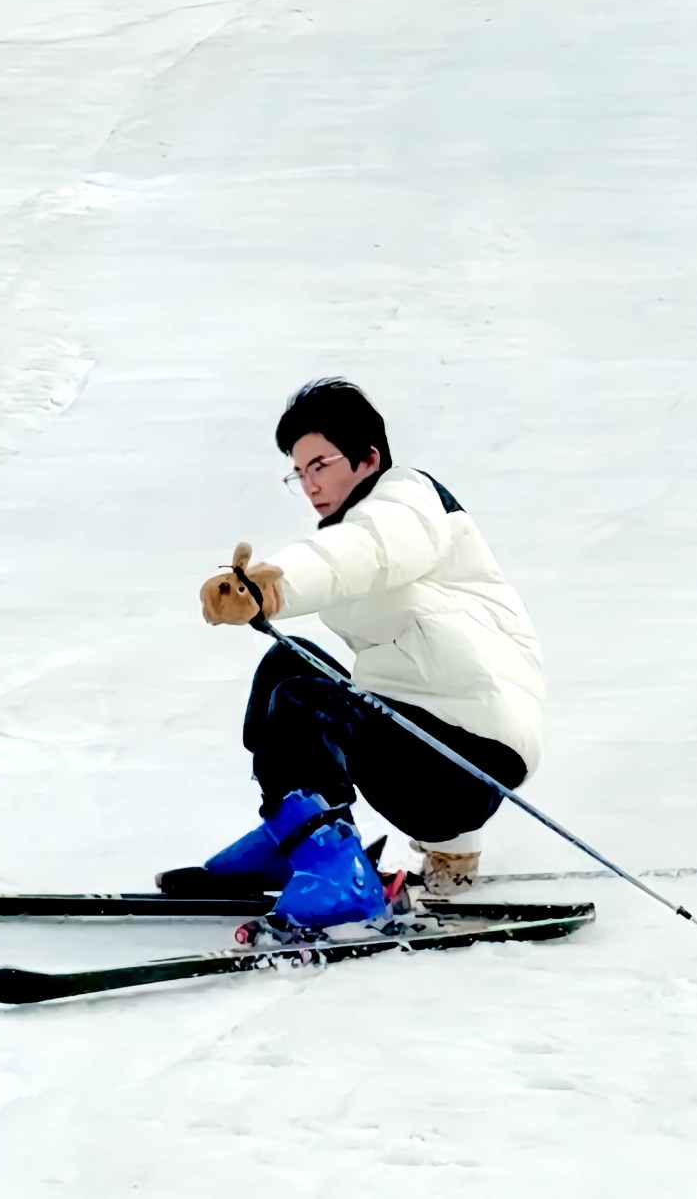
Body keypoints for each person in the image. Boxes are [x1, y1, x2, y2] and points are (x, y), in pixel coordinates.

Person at [193, 380, 546, 927]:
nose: (310, 485)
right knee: (288, 664)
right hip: (431, 745)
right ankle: (293, 840)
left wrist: (272, 588)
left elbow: (365, 552)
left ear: (368, 457)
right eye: (299, 473)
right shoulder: (363, 522)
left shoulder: (406, 500)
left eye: (320, 464)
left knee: (303, 700)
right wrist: (454, 848)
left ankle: (333, 867)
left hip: (467, 756)